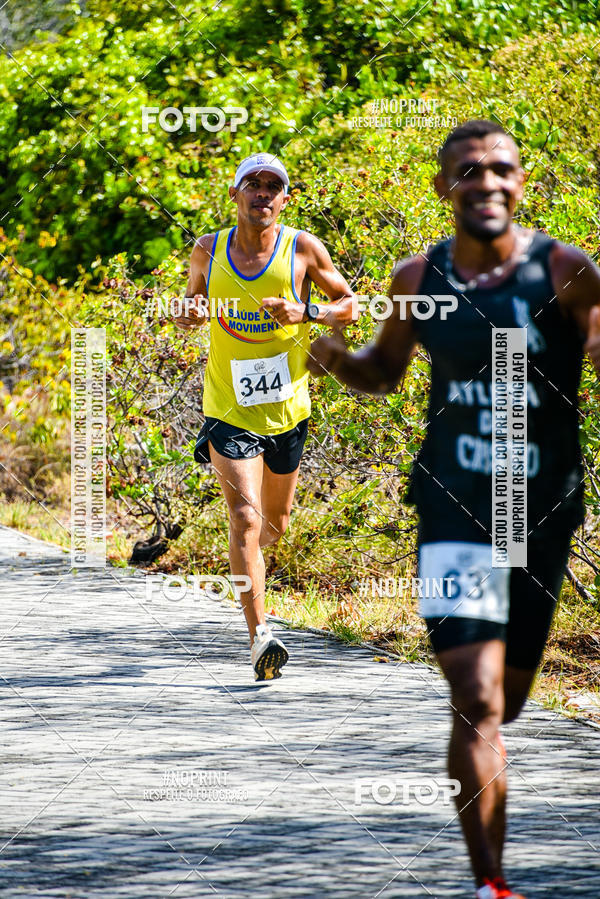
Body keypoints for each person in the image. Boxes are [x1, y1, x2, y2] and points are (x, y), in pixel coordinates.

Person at [307, 120, 600, 898]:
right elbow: (381, 369)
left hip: (539, 514)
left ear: (522, 182)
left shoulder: (566, 271)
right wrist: (321, 348)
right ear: (445, 189)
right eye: (468, 171)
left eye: (501, 169)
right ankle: (491, 883)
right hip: (453, 509)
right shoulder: (420, 276)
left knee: (512, 700)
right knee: (476, 701)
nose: (487, 182)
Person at [175, 152, 355, 681]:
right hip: (228, 408)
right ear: (235, 195)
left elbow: (351, 303)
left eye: (271, 186)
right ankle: (260, 637)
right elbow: (192, 304)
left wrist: (310, 311)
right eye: (250, 185)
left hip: (287, 409)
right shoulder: (208, 249)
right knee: (245, 520)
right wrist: (189, 311)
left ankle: (245, 568)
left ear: (285, 198)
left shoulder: (302, 249)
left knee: (274, 526)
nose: (261, 193)